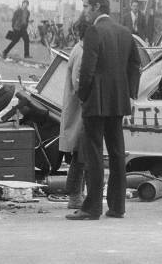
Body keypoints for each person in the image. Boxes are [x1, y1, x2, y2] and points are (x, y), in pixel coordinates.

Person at [66, 0, 141, 220]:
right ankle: (117, 206)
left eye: (87, 6)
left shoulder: (94, 32)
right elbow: (135, 65)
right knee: (118, 154)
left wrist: (83, 95)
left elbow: (87, 70)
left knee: (94, 154)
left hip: (96, 102)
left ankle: (92, 207)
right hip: (118, 102)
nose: (84, 11)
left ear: (97, 7)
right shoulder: (125, 32)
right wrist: (130, 94)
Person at [59, 15, 90, 210]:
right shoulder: (82, 52)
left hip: (77, 110)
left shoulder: (78, 49)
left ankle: (77, 194)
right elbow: (79, 83)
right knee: (81, 156)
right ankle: (74, 195)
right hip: (81, 111)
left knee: (81, 155)